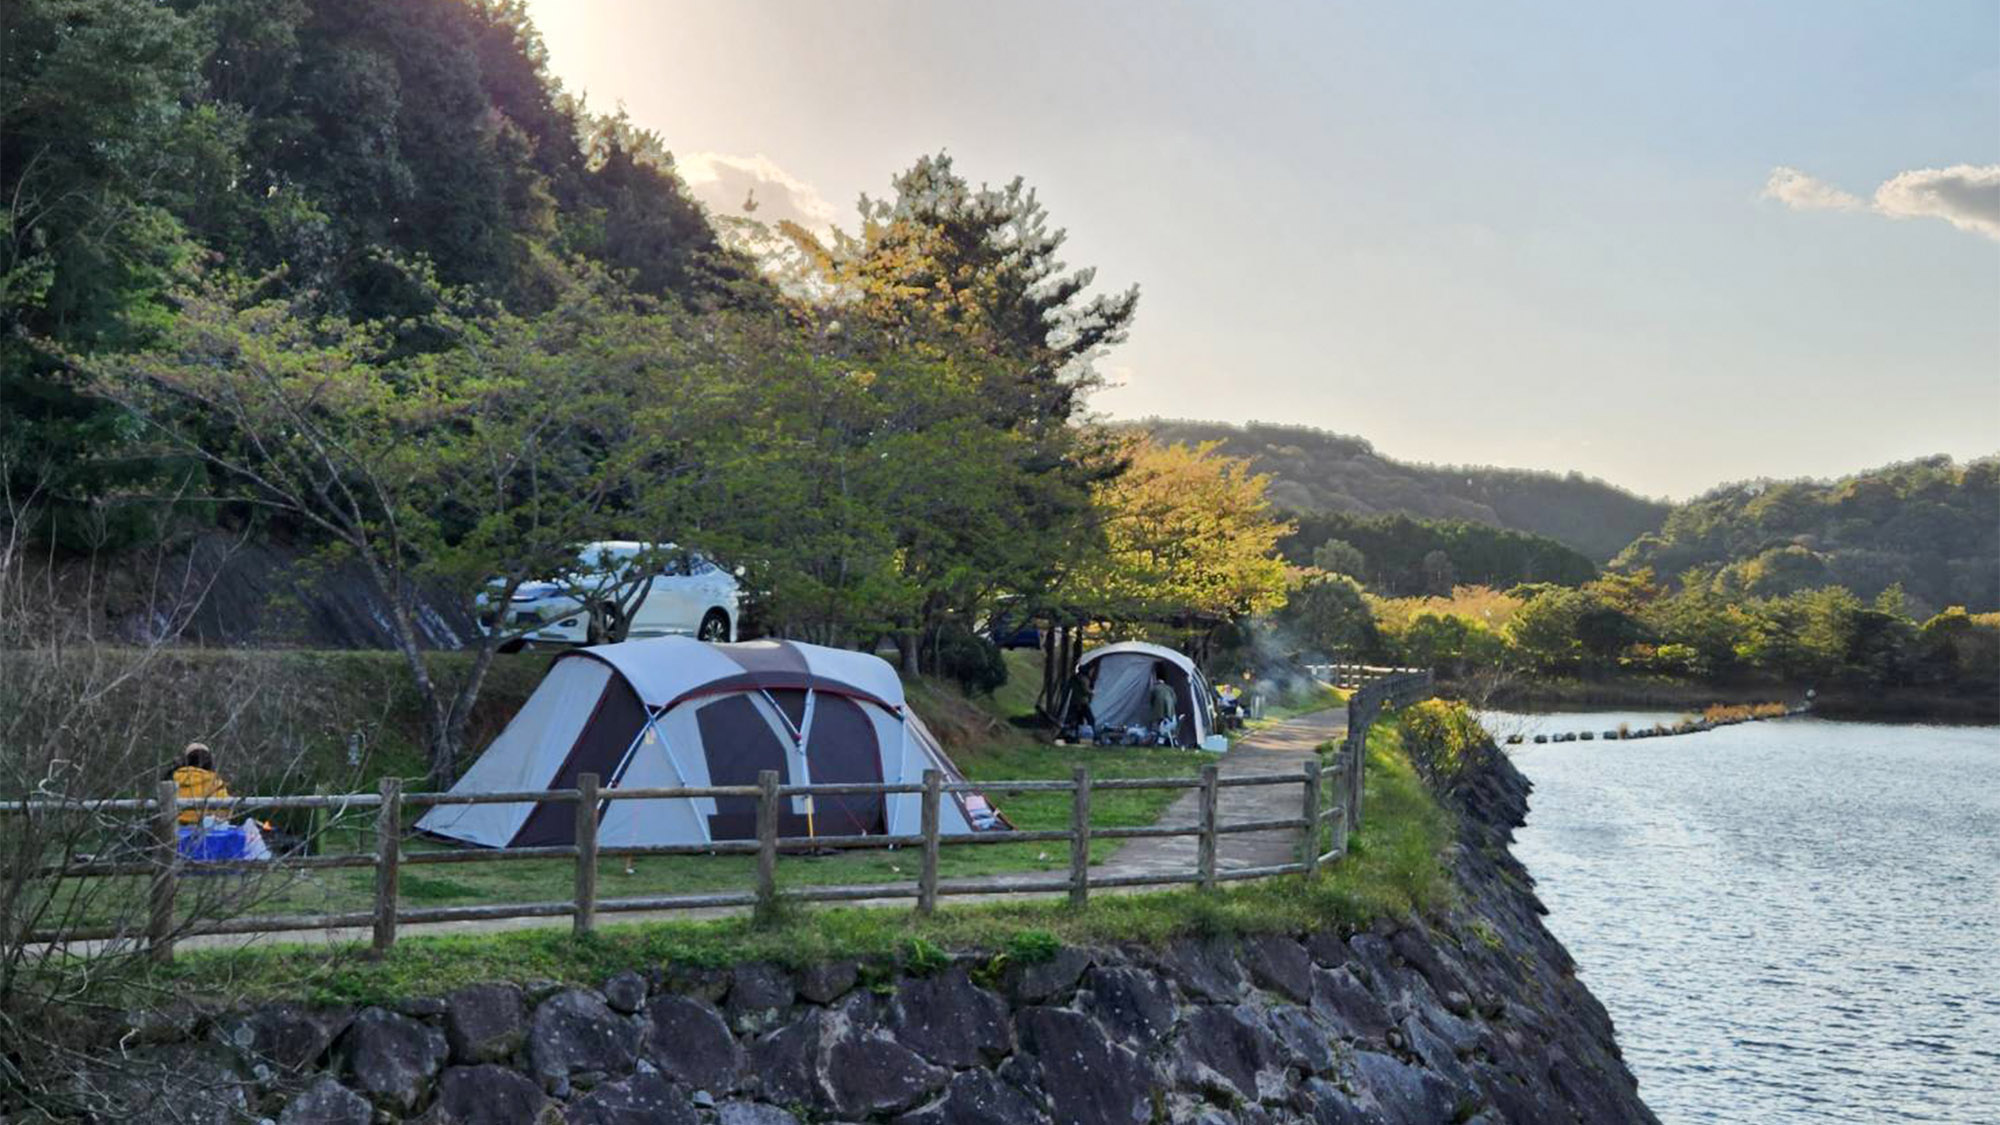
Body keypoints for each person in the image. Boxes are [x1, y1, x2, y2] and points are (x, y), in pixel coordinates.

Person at [169, 743, 230, 825]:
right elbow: (224, 812)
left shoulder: (172, 779)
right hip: (207, 829)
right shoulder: (215, 782)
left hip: (175, 827)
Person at [1149, 663, 1180, 747]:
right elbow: (1175, 700)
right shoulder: (1169, 688)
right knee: (1168, 726)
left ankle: (1158, 741)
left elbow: (1151, 700)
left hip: (1158, 712)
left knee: (1157, 725)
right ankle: (1168, 740)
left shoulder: (1155, 689)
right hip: (1170, 712)